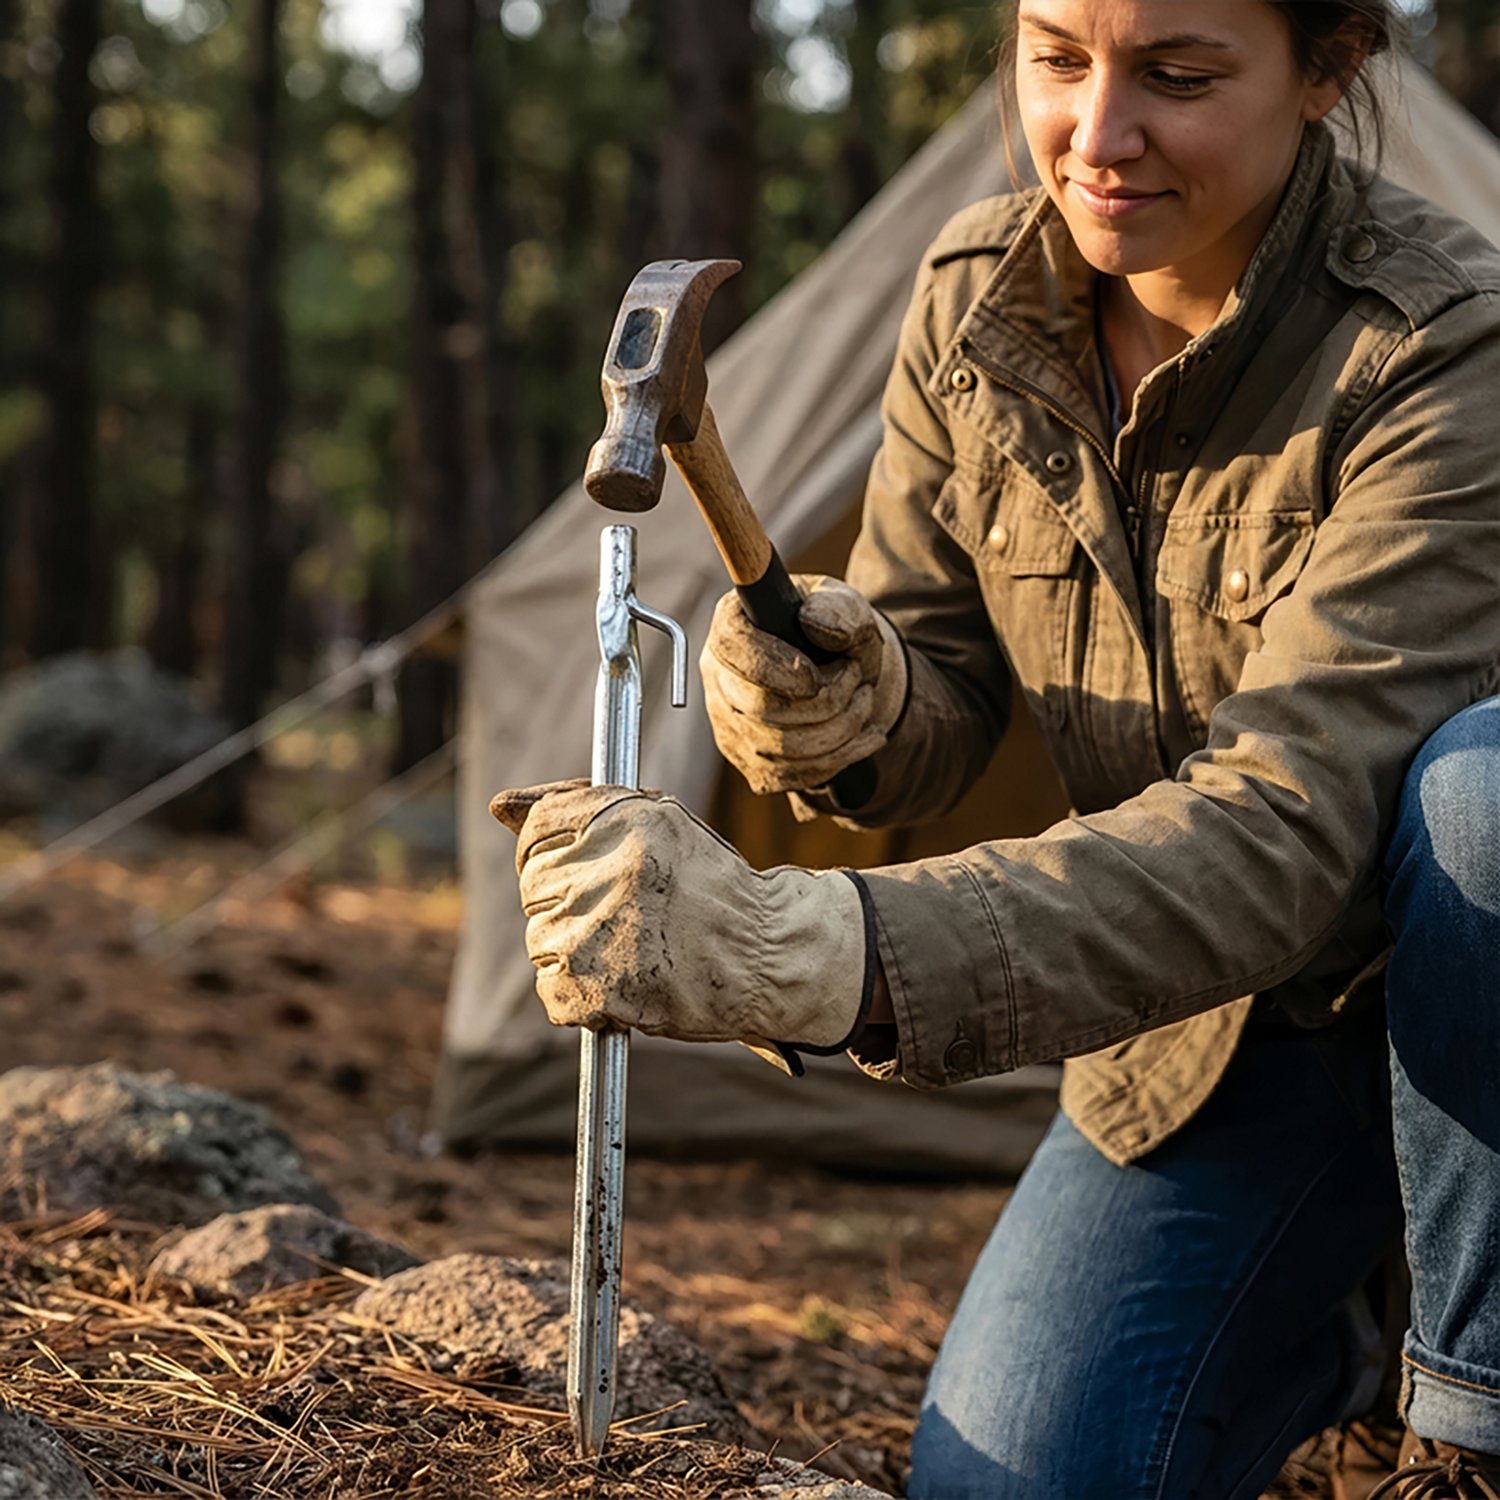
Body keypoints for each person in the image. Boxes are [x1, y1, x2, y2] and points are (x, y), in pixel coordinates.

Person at [491, 1, 1500, 1494]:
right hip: (1200, 1044)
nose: (1096, 137)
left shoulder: (1443, 340)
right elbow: (937, 695)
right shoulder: (979, 296)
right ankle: (1339, 1321)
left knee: (1483, 793)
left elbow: (1287, 828)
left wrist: (823, 954)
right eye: (1057, 56)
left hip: (1455, 1009)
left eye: (1179, 75)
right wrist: (845, 703)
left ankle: (1472, 1413)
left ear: (1330, 70)